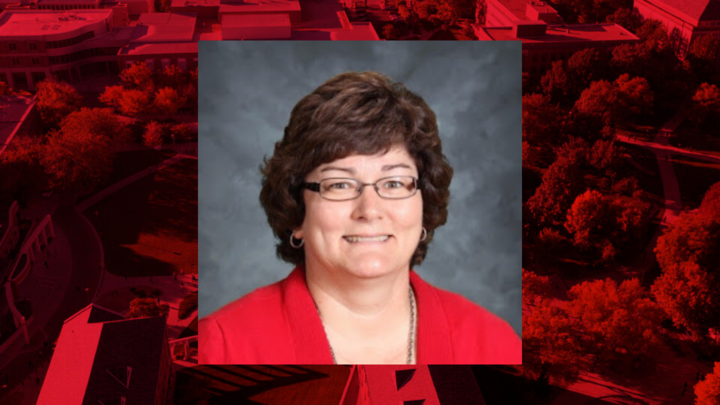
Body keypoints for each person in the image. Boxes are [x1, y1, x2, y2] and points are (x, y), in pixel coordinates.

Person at [199, 71, 521, 365]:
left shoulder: (495, 344)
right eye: (339, 184)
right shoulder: (221, 346)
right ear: (297, 212)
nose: (369, 210)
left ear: (424, 205)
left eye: (394, 183)